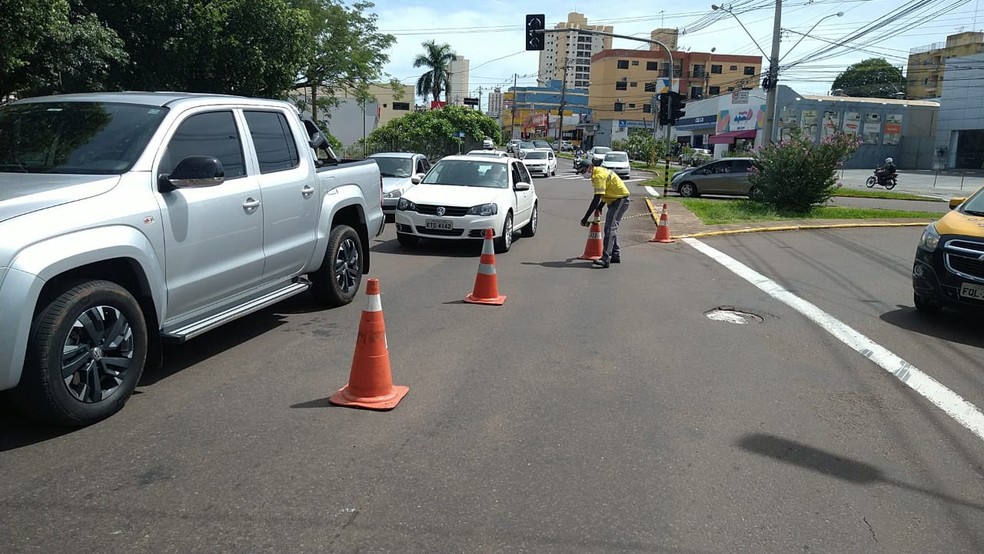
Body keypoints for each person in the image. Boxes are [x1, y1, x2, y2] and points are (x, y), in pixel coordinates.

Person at [580, 157, 631, 268]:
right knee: (611, 228)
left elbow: (596, 198)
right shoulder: (598, 172)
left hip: (620, 201)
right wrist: (600, 207)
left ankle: (605, 259)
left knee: (610, 229)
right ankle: (615, 255)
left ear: (590, 167)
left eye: (583, 171)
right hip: (614, 201)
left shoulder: (598, 176)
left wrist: (585, 217)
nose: (583, 174)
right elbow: (605, 191)